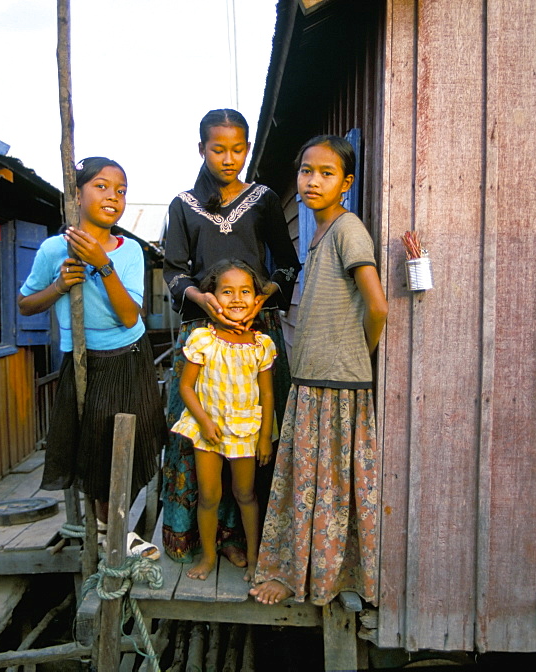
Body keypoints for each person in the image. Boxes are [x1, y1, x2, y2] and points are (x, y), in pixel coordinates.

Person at [249, 135, 388, 606]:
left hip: (336, 382)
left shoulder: (348, 229)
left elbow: (378, 307)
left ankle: (319, 578)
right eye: (306, 171)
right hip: (314, 379)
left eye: (326, 173)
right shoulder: (320, 233)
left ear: (345, 184)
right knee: (308, 484)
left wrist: (357, 353)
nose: (312, 181)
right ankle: (302, 571)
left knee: (324, 488)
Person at [162, 109, 301, 566]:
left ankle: (245, 539)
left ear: (246, 148)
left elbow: (286, 263)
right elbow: (175, 273)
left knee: (255, 436)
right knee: (202, 435)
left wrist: (263, 300)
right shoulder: (183, 204)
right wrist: (203, 300)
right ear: (201, 148)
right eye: (218, 149)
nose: (228, 158)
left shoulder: (261, 199)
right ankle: (201, 541)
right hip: (203, 334)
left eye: (237, 149)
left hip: (255, 335)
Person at [18, 157, 165, 558]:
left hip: (130, 353)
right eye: (101, 186)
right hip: (85, 358)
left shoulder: (129, 251)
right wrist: (59, 286)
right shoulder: (54, 248)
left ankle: (116, 526)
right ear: (77, 194)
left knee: (130, 441)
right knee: (97, 443)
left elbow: (127, 314)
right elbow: (26, 304)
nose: (113, 197)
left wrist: (103, 266)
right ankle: (110, 529)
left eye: (121, 191)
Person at [170, 259, 276, 582]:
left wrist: (264, 438)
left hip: (246, 431)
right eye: (227, 292)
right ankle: (208, 556)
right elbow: (186, 387)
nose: (237, 299)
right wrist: (203, 421)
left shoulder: (261, 345)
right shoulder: (203, 339)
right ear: (212, 297)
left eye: (245, 291)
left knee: (245, 494)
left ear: (256, 298)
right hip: (208, 432)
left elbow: (268, 396)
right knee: (209, 496)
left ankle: (256, 558)